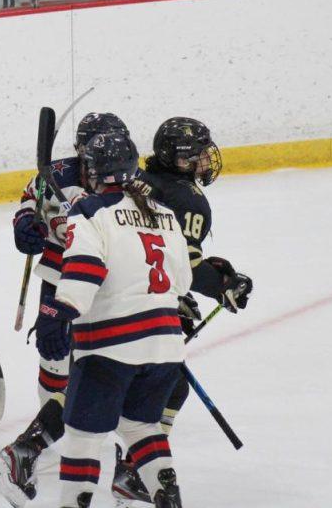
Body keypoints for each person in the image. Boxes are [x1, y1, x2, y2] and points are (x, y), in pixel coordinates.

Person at [32, 131, 191, 508]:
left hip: (110, 349)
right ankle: (167, 494)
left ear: (91, 170)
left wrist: (58, 310)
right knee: (141, 428)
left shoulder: (88, 212)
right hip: (167, 347)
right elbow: (182, 281)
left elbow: (84, 274)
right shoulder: (164, 213)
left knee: (82, 437)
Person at [0, 112, 130, 507]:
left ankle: (86, 432)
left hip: (108, 284)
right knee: (54, 358)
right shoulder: (56, 173)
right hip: (59, 277)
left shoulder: (129, 181)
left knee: (104, 360)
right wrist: (25, 224)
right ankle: (49, 428)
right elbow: (27, 201)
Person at [104, 116, 251, 503]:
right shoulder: (188, 198)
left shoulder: (138, 178)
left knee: (137, 380)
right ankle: (133, 466)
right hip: (152, 304)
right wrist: (222, 286)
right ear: (179, 159)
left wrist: (212, 270)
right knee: (168, 385)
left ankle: (128, 459)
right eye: (198, 156)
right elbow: (181, 265)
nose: (206, 161)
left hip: (114, 294)